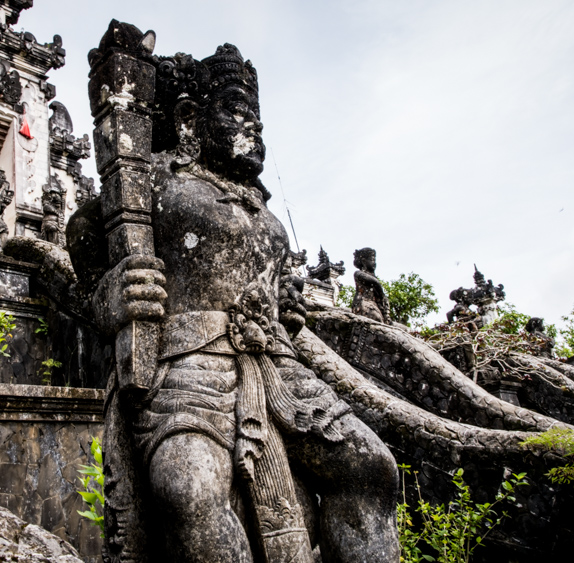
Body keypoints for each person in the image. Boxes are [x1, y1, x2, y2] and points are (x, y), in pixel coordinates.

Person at [73, 37, 398, 563]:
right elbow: (86, 252)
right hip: (188, 366)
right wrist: (113, 294)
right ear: (188, 119)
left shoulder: (262, 212)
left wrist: (285, 309)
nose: (256, 130)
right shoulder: (154, 180)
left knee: (371, 468)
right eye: (236, 112)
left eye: (258, 119)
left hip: (276, 366)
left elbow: (275, 294)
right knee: (190, 489)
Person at [351, 247, 391, 324]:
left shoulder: (373, 276)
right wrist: (382, 295)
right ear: (364, 261)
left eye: (374, 260)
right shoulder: (358, 273)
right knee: (376, 318)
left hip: (374, 304)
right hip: (363, 303)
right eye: (372, 260)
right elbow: (376, 283)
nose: (374, 263)